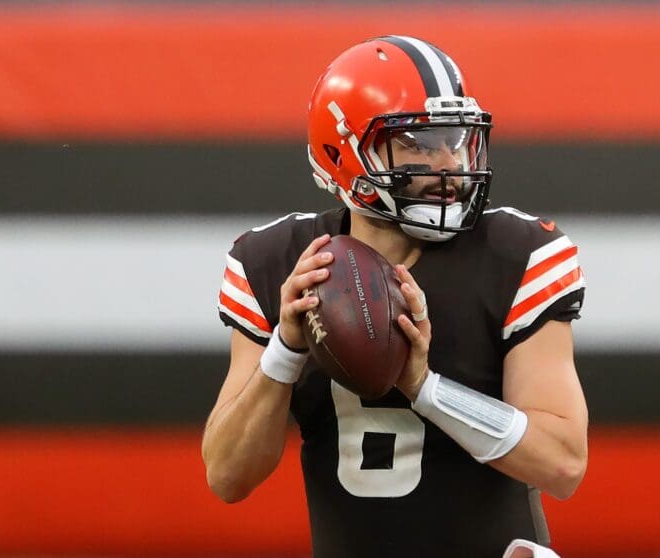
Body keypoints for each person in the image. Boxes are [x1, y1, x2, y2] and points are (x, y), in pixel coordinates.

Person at [202, 35, 588, 558]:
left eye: (455, 139)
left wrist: (424, 387)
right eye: (418, 144)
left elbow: (562, 463)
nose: (449, 163)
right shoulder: (276, 263)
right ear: (344, 153)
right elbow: (227, 476)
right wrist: (285, 351)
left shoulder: (518, 255)